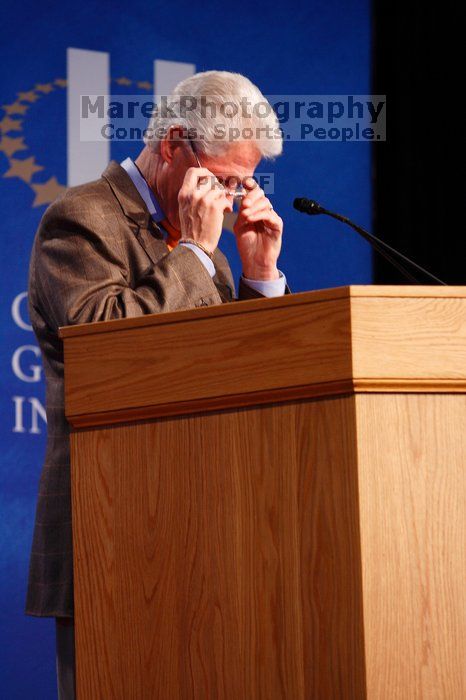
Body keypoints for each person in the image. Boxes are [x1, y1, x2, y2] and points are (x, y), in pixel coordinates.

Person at [25, 70, 288, 699]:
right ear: (174, 145)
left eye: (243, 184)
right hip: (112, 526)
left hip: (210, 525)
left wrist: (258, 276)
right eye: (225, 180)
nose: (230, 200)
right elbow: (105, 349)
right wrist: (196, 256)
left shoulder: (210, 247)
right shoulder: (81, 219)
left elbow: (236, 377)